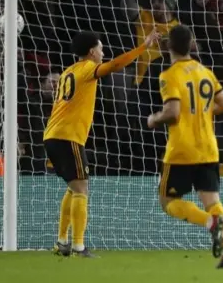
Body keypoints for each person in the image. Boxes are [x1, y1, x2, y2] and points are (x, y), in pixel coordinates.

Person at [44, 30, 162, 258]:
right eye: (100, 48)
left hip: (53, 135)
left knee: (73, 187)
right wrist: (143, 47)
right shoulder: (88, 69)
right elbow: (115, 65)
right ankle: (79, 247)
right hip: (67, 137)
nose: (103, 52)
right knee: (81, 189)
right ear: (91, 52)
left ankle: (62, 242)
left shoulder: (69, 71)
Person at [146, 25, 223, 269]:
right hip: (208, 147)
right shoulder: (205, 72)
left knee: (167, 201)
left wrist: (154, 119)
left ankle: (210, 223)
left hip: (181, 150)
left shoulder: (169, 75)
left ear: (168, 46)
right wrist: (204, 113)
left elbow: (173, 113)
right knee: (212, 201)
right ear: (191, 45)